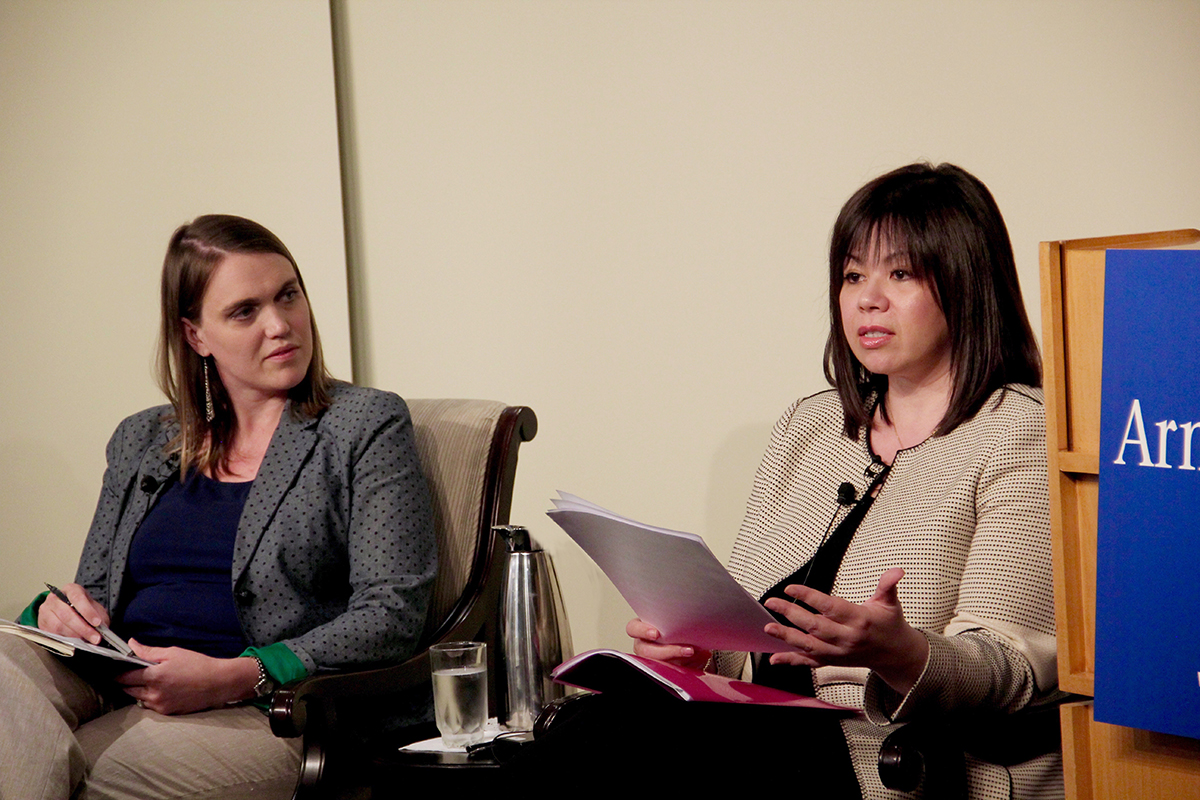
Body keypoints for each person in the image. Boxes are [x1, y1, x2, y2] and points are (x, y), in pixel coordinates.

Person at [628, 163, 1060, 798]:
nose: (867, 298)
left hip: (891, 766)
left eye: (901, 274)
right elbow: (753, 623)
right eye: (853, 275)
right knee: (599, 730)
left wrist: (901, 652)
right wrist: (696, 652)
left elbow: (1013, 671)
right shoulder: (812, 424)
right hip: (760, 745)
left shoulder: (1020, 433)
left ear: (968, 284)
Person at [0, 215, 436, 800]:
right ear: (195, 335)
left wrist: (241, 674)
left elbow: (392, 612)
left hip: (268, 708)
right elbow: (94, 592)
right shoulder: (142, 439)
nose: (280, 325)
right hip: (117, 674)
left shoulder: (363, 424)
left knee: (100, 781)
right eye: (244, 311)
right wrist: (53, 615)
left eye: (288, 295)